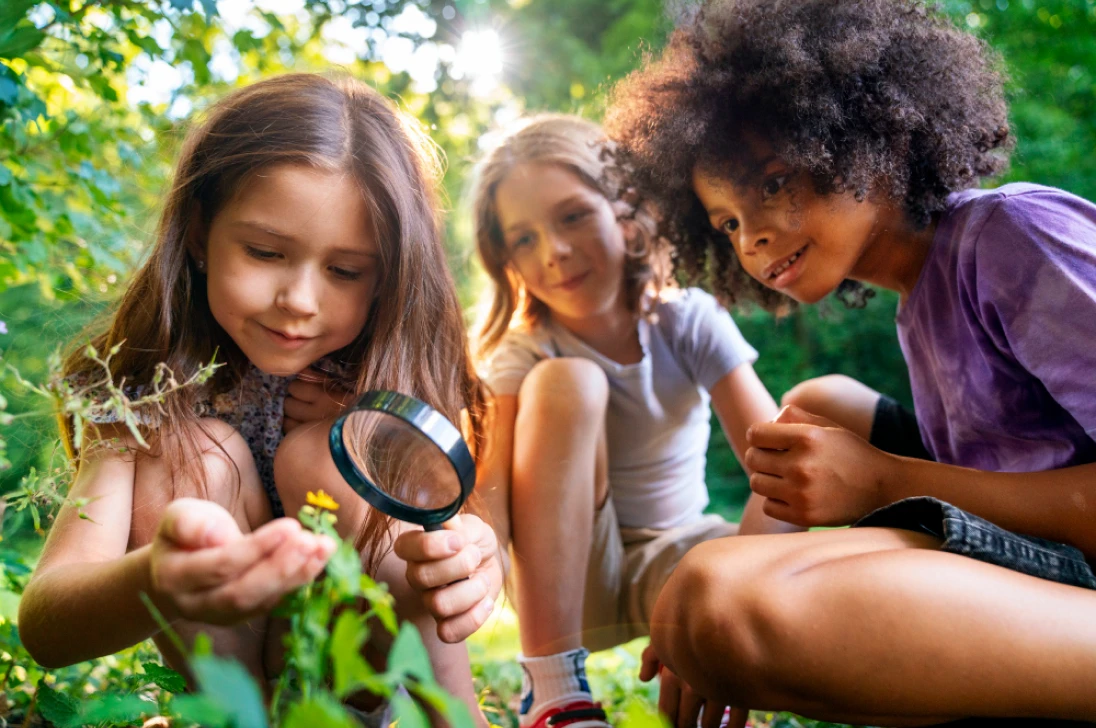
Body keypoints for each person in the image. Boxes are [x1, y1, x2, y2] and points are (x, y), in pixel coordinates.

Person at [604, 0, 1096, 724]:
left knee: (719, 602)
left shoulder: (1008, 235)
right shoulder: (920, 301)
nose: (752, 239)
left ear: (870, 136)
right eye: (727, 224)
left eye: (772, 183)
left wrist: (885, 481)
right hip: (1043, 564)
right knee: (812, 411)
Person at [18, 73, 496, 725]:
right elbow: (47, 624)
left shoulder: (382, 379)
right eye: (266, 252)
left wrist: (468, 557)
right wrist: (156, 579)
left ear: (386, 276)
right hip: (234, 689)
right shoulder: (140, 391)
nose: (299, 300)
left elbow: (440, 546)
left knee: (324, 455)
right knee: (185, 448)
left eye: (344, 270)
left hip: (359, 690)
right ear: (197, 233)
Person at [456, 114, 789, 728]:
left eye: (573, 216)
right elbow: (491, 494)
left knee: (798, 561)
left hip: (682, 561)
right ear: (507, 260)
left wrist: (726, 599)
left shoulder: (689, 320)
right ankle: (554, 691)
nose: (552, 252)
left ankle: (722, 646)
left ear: (626, 211)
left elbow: (783, 473)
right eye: (523, 239)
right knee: (568, 382)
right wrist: (471, 562)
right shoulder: (525, 350)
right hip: (573, 582)